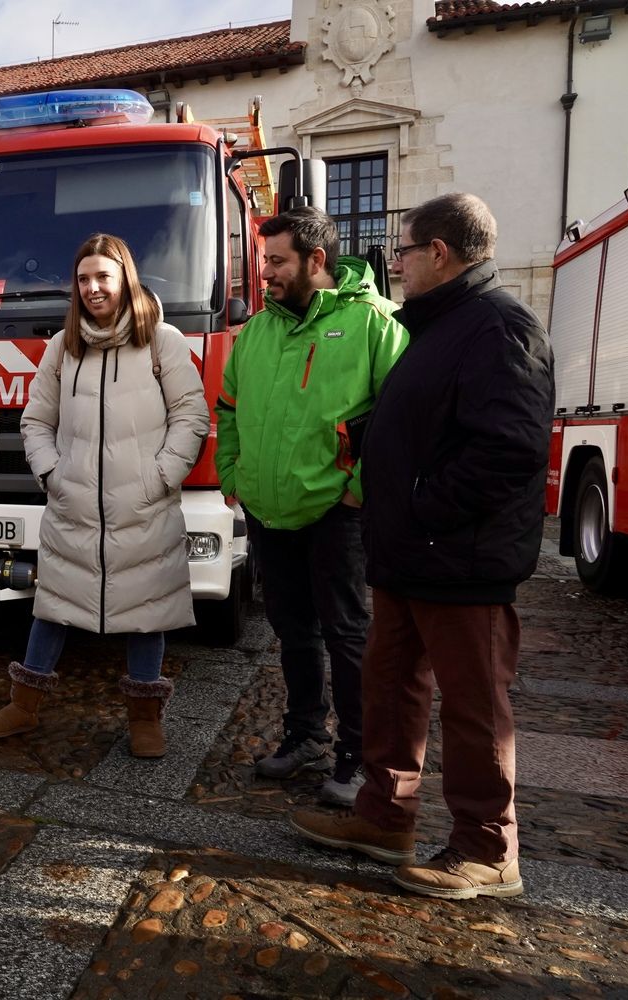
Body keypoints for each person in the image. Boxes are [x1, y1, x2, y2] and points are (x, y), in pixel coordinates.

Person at [292, 193, 553, 900]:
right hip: (410, 553)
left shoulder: (499, 327)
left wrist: (417, 507)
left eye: (402, 251)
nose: (394, 264)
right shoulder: (440, 327)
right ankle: (385, 818)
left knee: (473, 708)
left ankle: (487, 850)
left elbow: (510, 451)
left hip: (460, 559)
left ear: (438, 252)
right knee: (392, 688)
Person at [0, 233, 208, 757]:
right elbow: (36, 420)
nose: (93, 287)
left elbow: (191, 416)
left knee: (148, 608)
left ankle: (146, 719)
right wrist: (53, 475)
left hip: (143, 505)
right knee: (54, 605)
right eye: (83, 279)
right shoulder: (64, 346)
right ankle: (25, 706)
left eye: (103, 276)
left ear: (125, 276)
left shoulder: (163, 342)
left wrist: (160, 478)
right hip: (73, 502)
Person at [215, 207, 407, 805]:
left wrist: (358, 489)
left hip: (336, 512)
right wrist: (232, 473)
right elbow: (228, 409)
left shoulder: (375, 323)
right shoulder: (257, 332)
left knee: (348, 635)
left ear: (316, 261)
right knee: (293, 632)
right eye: (262, 259)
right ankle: (305, 737)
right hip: (268, 511)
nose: (263, 272)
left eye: (276, 261)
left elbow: (399, 421)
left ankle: (357, 758)